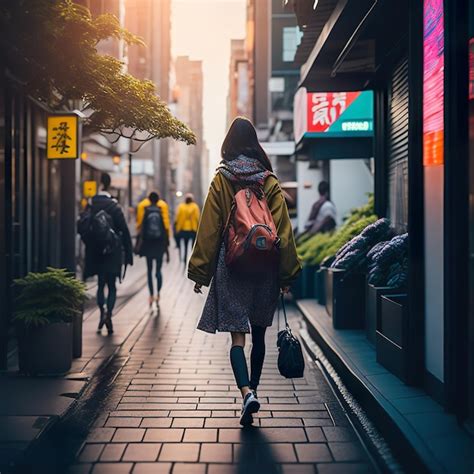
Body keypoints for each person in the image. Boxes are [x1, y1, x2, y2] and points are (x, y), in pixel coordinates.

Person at [188, 117, 301, 426]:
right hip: (266, 267)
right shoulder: (269, 180)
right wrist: (287, 274)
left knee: (238, 338)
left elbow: (209, 228)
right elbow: (284, 232)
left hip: (233, 264)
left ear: (229, 144)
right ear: (255, 144)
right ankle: (256, 388)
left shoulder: (223, 178)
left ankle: (246, 393)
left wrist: (200, 271)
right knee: (260, 335)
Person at [82, 173, 133, 335]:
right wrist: (129, 254)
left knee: (100, 285)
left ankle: (101, 312)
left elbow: (83, 227)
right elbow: (124, 231)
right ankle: (109, 314)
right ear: (110, 186)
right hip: (113, 252)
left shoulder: (91, 205)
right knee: (112, 286)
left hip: (96, 251)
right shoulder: (114, 206)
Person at [137, 191, 169, 309]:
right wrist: (167, 248)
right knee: (158, 271)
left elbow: (142, 229)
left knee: (149, 271)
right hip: (160, 245)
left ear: (149, 200)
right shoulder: (161, 211)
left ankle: (151, 295)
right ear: (158, 200)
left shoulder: (146, 211)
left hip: (149, 245)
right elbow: (166, 228)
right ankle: (158, 294)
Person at [175, 193, 200, 263]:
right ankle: (193, 259)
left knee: (185, 246)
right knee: (193, 246)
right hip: (192, 229)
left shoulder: (181, 207)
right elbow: (197, 218)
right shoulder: (195, 207)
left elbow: (177, 217)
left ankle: (184, 259)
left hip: (183, 229)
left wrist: (177, 227)